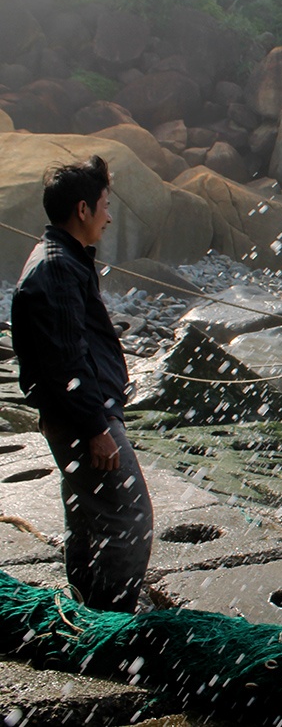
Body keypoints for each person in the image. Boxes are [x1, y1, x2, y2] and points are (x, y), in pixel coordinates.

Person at [11, 155, 153, 613]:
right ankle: (110, 622)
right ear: (83, 210)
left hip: (75, 415)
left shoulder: (63, 259)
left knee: (88, 520)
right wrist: (97, 427)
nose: (109, 217)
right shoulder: (56, 268)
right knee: (130, 520)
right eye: (105, 205)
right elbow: (64, 361)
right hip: (81, 419)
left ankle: (87, 613)